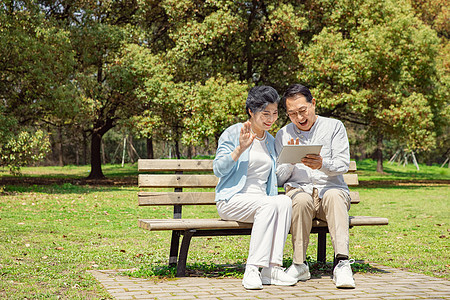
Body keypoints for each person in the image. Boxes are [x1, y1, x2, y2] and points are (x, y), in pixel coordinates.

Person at [213, 85, 297, 290]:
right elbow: (218, 169)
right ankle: (252, 269)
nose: (271, 119)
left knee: (285, 200)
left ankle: (272, 269)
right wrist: (240, 149)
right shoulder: (234, 133)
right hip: (231, 200)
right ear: (251, 111)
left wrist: (292, 160)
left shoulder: (269, 140)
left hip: (261, 201)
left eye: (275, 113)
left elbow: (275, 180)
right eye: (265, 113)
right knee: (269, 205)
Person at [275, 83, 355, 288]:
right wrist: (289, 161)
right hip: (300, 192)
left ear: (313, 104)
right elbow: (278, 179)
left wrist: (322, 164)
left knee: (334, 196)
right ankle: (299, 264)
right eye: (292, 114)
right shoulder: (283, 134)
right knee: (300, 199)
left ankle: (342, 263)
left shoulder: (334, 127)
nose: (299, 118)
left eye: (302, 111)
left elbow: (342, 164)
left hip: (330, 190)